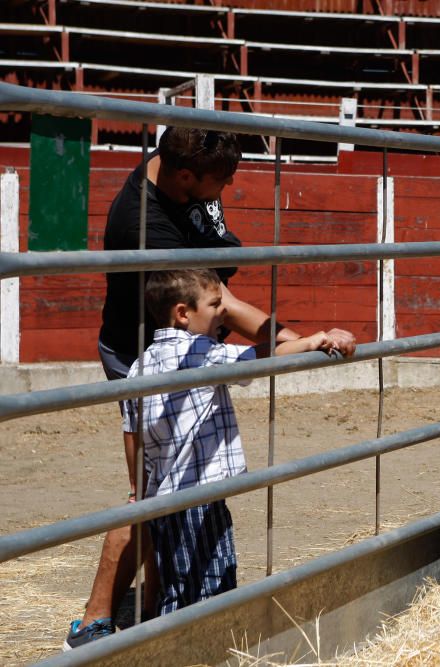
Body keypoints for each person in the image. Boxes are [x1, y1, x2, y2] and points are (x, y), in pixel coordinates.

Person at [65, 127, 355, 650]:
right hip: (141, 348)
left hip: (193, 344)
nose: (221, 197)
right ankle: (96, 617)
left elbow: (219, 293)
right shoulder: (144, 224)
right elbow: (220, 298)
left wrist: (296, 340)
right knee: (149, 491)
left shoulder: (186, 170)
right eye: (216, 187)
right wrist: (300, 342)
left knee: (174, 488)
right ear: (183, 176)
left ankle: (155, 610)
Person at [126, 269, 339, 615]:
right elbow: (257, 359)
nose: (224, 311)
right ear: (183, 313)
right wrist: (312, 340)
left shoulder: (139, 367)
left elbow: (131, 430)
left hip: (161, 502)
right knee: (214, 584)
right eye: (214, 304)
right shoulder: (202, 353)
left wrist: (139, 487)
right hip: (201, 498)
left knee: (176, 587)